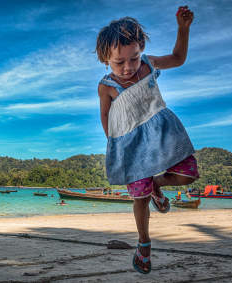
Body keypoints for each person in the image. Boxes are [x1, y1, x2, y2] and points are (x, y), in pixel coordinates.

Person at [96, 6, 199, 274]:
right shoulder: (106, 86)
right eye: (119, 62)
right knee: (139, 197)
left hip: (164, 133)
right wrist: (115, 144)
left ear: (141, 48)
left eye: (134, 58)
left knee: (188, 175)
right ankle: (143, 244)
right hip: (132, 144)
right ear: (105, 58)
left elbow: (178, 58)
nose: (128, 67)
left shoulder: (149, 65)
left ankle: (157, 183)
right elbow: (105, 116)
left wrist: (183, 29)